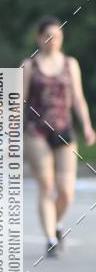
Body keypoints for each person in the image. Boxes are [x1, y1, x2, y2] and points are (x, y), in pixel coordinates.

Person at [22, 16, 95, 257]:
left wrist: (86, 125)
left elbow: (78, 98)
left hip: (64, 130)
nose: (53, 42)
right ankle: (51, 239)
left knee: (66, 191)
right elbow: (18, 102)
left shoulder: (70, 63)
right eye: (48, 37)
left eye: (58, 37)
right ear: (39, 38)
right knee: (46, 185)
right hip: (36, 132)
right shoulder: (29, 66)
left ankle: (57, 223)